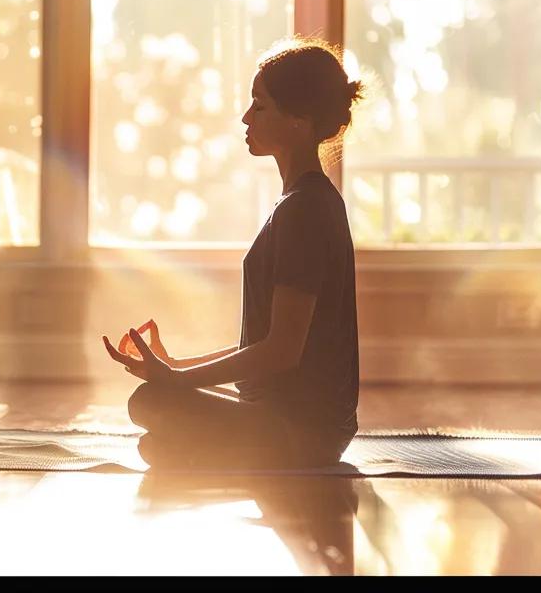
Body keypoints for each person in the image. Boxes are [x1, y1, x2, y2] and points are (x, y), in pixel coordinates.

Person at [103, 36, 363, 473]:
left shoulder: (305, 210)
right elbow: (266, 344)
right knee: (156, 428)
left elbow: (282, 350)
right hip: (298, 423)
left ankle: (235, 452)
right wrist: (177, 366)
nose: (246, 118)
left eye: (259, 106)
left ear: (298, 119)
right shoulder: (302, 202)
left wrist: (178, 381)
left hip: (301, 431)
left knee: (150, 403)